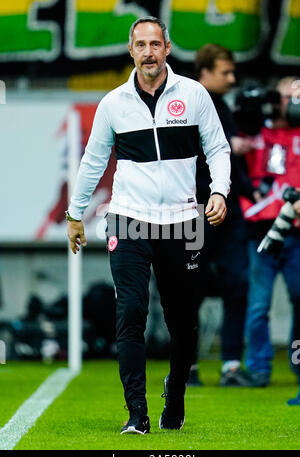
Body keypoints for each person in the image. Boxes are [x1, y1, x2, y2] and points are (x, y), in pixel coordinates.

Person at [66, 17, 231, 434]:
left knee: (183, 321)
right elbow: (92, 161)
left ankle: (174, 395)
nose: (148, 52)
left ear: (168, 48)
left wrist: (219, 191)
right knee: (132, 312)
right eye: (140, 44)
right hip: (128, 219)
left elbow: (218, 148)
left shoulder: (194, 95)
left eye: (155, 44)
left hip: (183, 221)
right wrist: (74, 213)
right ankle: (136, 413)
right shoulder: (114, 104)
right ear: (131, 50)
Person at [189, 44, 259, 387]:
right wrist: (230, 142)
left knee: (239, 284)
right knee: (189, 289)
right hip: (192, 211)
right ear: (204, 72)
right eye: (225, 72)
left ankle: (231, 366)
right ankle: (186, 367)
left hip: (227, 212)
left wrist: (250, 191)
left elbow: (230, 163)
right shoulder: (184, 104)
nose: (232, 79)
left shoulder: (224, 108)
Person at [240, 77, 300, 399]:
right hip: (261, 232)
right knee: (259, 304)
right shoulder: (254, 133)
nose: (292, 102)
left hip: (297, 233)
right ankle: (260, 369)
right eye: (288, 96)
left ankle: (297, 364)